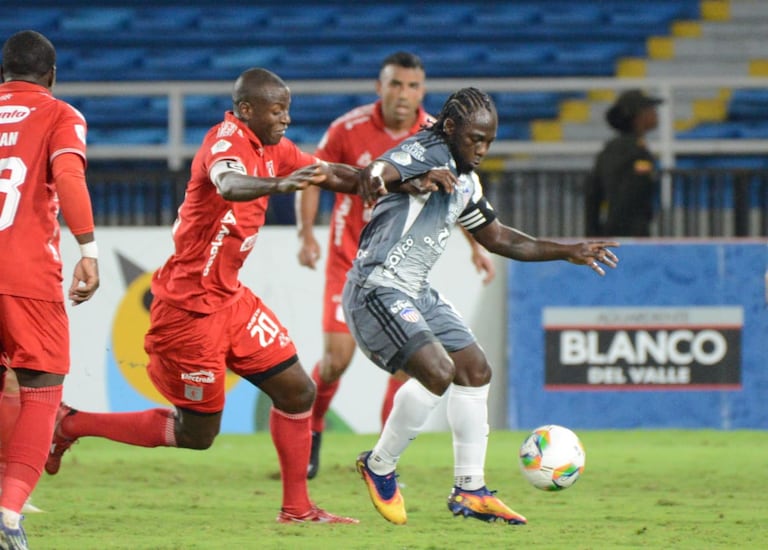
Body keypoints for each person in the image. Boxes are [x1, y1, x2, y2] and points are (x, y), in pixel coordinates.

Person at [43, 68, 366, 524]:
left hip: (230, 301)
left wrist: (387, 179)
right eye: (278, 111)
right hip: (187, 313)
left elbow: (327, 173)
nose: (287, 119)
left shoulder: (273, 148)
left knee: (298, 391)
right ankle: (70, 423)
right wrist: (278, 185)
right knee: (198, 435)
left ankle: (297, 509)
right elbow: (229, 184)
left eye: (287, 110)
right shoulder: (225, 142)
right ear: (247, 110)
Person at [345, 87, 620, 526]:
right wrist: (401, 177)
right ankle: (379, 465)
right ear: (451, 128)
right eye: (475, 139)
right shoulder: (425, 150)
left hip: (415, 290)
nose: (482, 149)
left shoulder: (466, 181)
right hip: (376, 286)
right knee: (438, 372)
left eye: (489, 141)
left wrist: (567, 250)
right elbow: (378, 171)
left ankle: (470, 489)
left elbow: (499, 238)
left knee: (475, 369)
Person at [295, 51, 495, 480]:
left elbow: (455, 196)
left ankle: (385, 460)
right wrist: (305, 232)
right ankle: (312, 428)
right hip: (352, 257)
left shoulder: (444, 132)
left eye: (413, 86)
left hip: (402, 268)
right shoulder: (349, 128)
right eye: (396, 84)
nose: (404, 94)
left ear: (423, 92)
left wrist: (477, 247)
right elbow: (318, 174)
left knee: (416, 366)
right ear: (380, 87)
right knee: (335, 360)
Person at [0, 30, 100, 550]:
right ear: (52, 75)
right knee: (41, 390)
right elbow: (68, 176)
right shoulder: (60, 114)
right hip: (25, 275)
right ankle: (9, 511)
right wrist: (88, 249)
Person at [585, 89, 663, 237]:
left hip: (612, 231)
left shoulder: (611, 148)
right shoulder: (635, 151)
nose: (655, 113)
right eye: (650, 109)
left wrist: (593, 232)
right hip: (629, 233)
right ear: (638, 116)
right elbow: (629, 196)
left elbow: (592, 193)